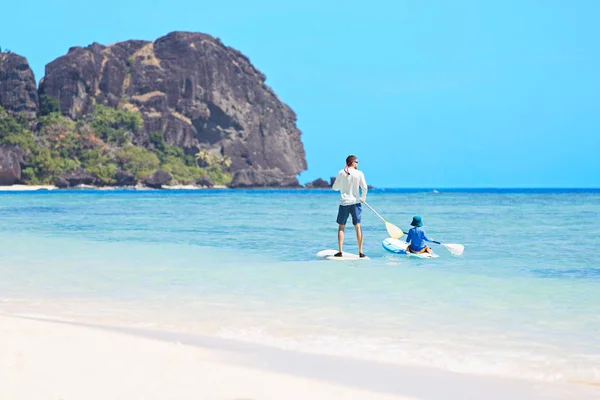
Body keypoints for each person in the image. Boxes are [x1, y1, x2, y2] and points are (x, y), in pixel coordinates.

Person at [332, 155, 368, 257]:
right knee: (358, 227)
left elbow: (335, 187)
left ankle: (340, 251)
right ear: (352, 162)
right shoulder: (359, 173)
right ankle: (360, 252)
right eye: (356, 162)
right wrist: (363, 198)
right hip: (356, 203)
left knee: (341, 227)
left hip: (344, 203)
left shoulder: (341, 172)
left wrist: (342, 185)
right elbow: (364, 187)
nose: (357, 164)